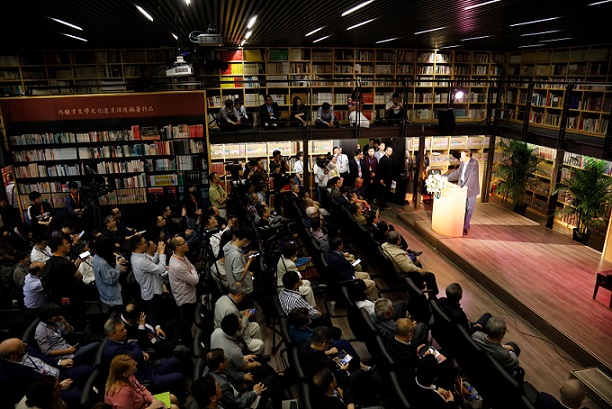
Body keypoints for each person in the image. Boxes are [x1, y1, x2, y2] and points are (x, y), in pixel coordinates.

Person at [0, 337, 94, 408]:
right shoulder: (8, 376)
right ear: (13, 356)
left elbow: (44, 359)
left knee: (91, 371)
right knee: (82, 397)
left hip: (60, 373)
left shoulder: (26, 349)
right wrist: (59, 387)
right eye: (22, 346)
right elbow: (32, 395)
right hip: (51, 391)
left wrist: (59, 362)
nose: (26, 344)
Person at [102, 318, 183, 397]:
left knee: (175, 361)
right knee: (178, 377)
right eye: (121, 330)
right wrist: (133, 343)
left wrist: (139, 351)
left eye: (124, 328)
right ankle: (180, 398)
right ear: (112, 334)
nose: (125, 331)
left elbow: (135, 353)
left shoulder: (118, 339)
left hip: (147, 367)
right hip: (141, 376)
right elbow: (137, 355)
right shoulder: (113, 350)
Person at [41, 234, 85, 329]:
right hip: (72, 298)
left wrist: (77, 262)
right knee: (75, 318)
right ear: (60, 247)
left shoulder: (50, 262)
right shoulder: (65, 264)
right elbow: (79, 276)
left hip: (58, 298)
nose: (69, 245)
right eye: (66, 243)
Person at [105, 354, 180, 409]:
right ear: (125, 373)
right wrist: (151, 407)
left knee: (173, 397)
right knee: (174, 407)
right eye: (133, 365)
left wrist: (153, 400)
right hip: (144, 407)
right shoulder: (121, 392)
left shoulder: (129, 375)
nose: (136, 363)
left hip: (144, 402)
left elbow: (142, 388)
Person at [35, 302, 99, 364]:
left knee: (93, 352)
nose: (59, 316)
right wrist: (67, 351)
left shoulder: (55, 321)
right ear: (48, 318)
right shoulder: (41, 331)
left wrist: (65, 322)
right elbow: (47, 352)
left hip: (71, 349)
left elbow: (70, 332)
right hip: (65, 357)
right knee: (96, 345)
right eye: (56, 315)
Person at [381, 231, 439, 295]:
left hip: (393, 270)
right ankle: (433, 296)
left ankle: (418, 284)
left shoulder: (385, 245)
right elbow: (406, 268)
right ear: (397, 241)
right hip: (400, 274)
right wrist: (417, 269)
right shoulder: (398, 254)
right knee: (430, 276)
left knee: (418, 264)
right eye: (400, 238)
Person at [213, 282, 264, 354]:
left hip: (222, 332)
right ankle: (255, 355)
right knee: (260, 344)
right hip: (230, 340)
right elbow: (238, 333)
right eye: (244, 295)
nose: (244, 297)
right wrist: (245, 318)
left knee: (255, 326)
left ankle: (252, 351)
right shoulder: (231, 310)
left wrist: (242, 313)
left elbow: (234, 316)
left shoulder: (223, 298)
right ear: (239, 294)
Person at [168, 235, 199, 345]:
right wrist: (193, 272)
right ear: (177, 247)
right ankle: (189, 345)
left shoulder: (181, 256)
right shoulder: (177, 265)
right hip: (185, 299)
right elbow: (194, 280)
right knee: (187, 324)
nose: (187, 244)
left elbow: (192, 267)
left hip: (190, 294)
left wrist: (192, 271)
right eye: (184, 243)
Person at [129, 234, 168, 319]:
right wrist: (161, 253)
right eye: (145, 242)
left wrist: (158, 251)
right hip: (152, 293)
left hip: (152, 288)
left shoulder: (138, 255)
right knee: (156, 316)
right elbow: (161, 269)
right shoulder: (140, 261)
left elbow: (152, 262)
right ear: (138, 246)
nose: (147, 244)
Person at [446, 149, 480, 235]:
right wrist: (447, 178)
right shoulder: (462, 162)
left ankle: (465, 226)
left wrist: (466, 186)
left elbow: (472, 177)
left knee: (469, 208)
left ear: (467, 156)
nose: (460, 157)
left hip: (471, 188)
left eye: (462, 155)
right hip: (461, 187)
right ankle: (463, 223)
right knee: (462, 208)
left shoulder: (474, 163)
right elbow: (458, 173)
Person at [276, 241, 316, 306]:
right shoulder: (290, 264)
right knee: (308, 290)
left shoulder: (282, 257)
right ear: (292, 255)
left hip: (284, 282)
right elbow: (298, 276)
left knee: (307, 282)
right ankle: (312, 309)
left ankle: (303, 305)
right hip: (284, 288)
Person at [222, 228, 256, 303]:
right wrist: (249, 261)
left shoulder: (229, 246)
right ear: (245, 240)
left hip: (232, 284)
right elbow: (239, 277)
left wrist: (245, 256)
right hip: (241, 291)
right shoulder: (236, 255)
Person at [93, 235, 125, 313]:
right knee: (118, 312)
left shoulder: (96, 256)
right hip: (111, 293)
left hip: (103, 290)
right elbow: (112, 281)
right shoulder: (102, 263)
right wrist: (118, 265)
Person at [377, 146, 394, 210]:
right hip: (383, 179)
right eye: (389, 150)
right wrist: (381, 178)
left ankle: (385, 204)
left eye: (391, 151)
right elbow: (380, 170)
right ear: (386, 151)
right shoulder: (382, 159)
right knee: (382, 193)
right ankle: (381, 206)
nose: (390, 152)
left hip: (389, 178)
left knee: (387, 192)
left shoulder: (391, 159)